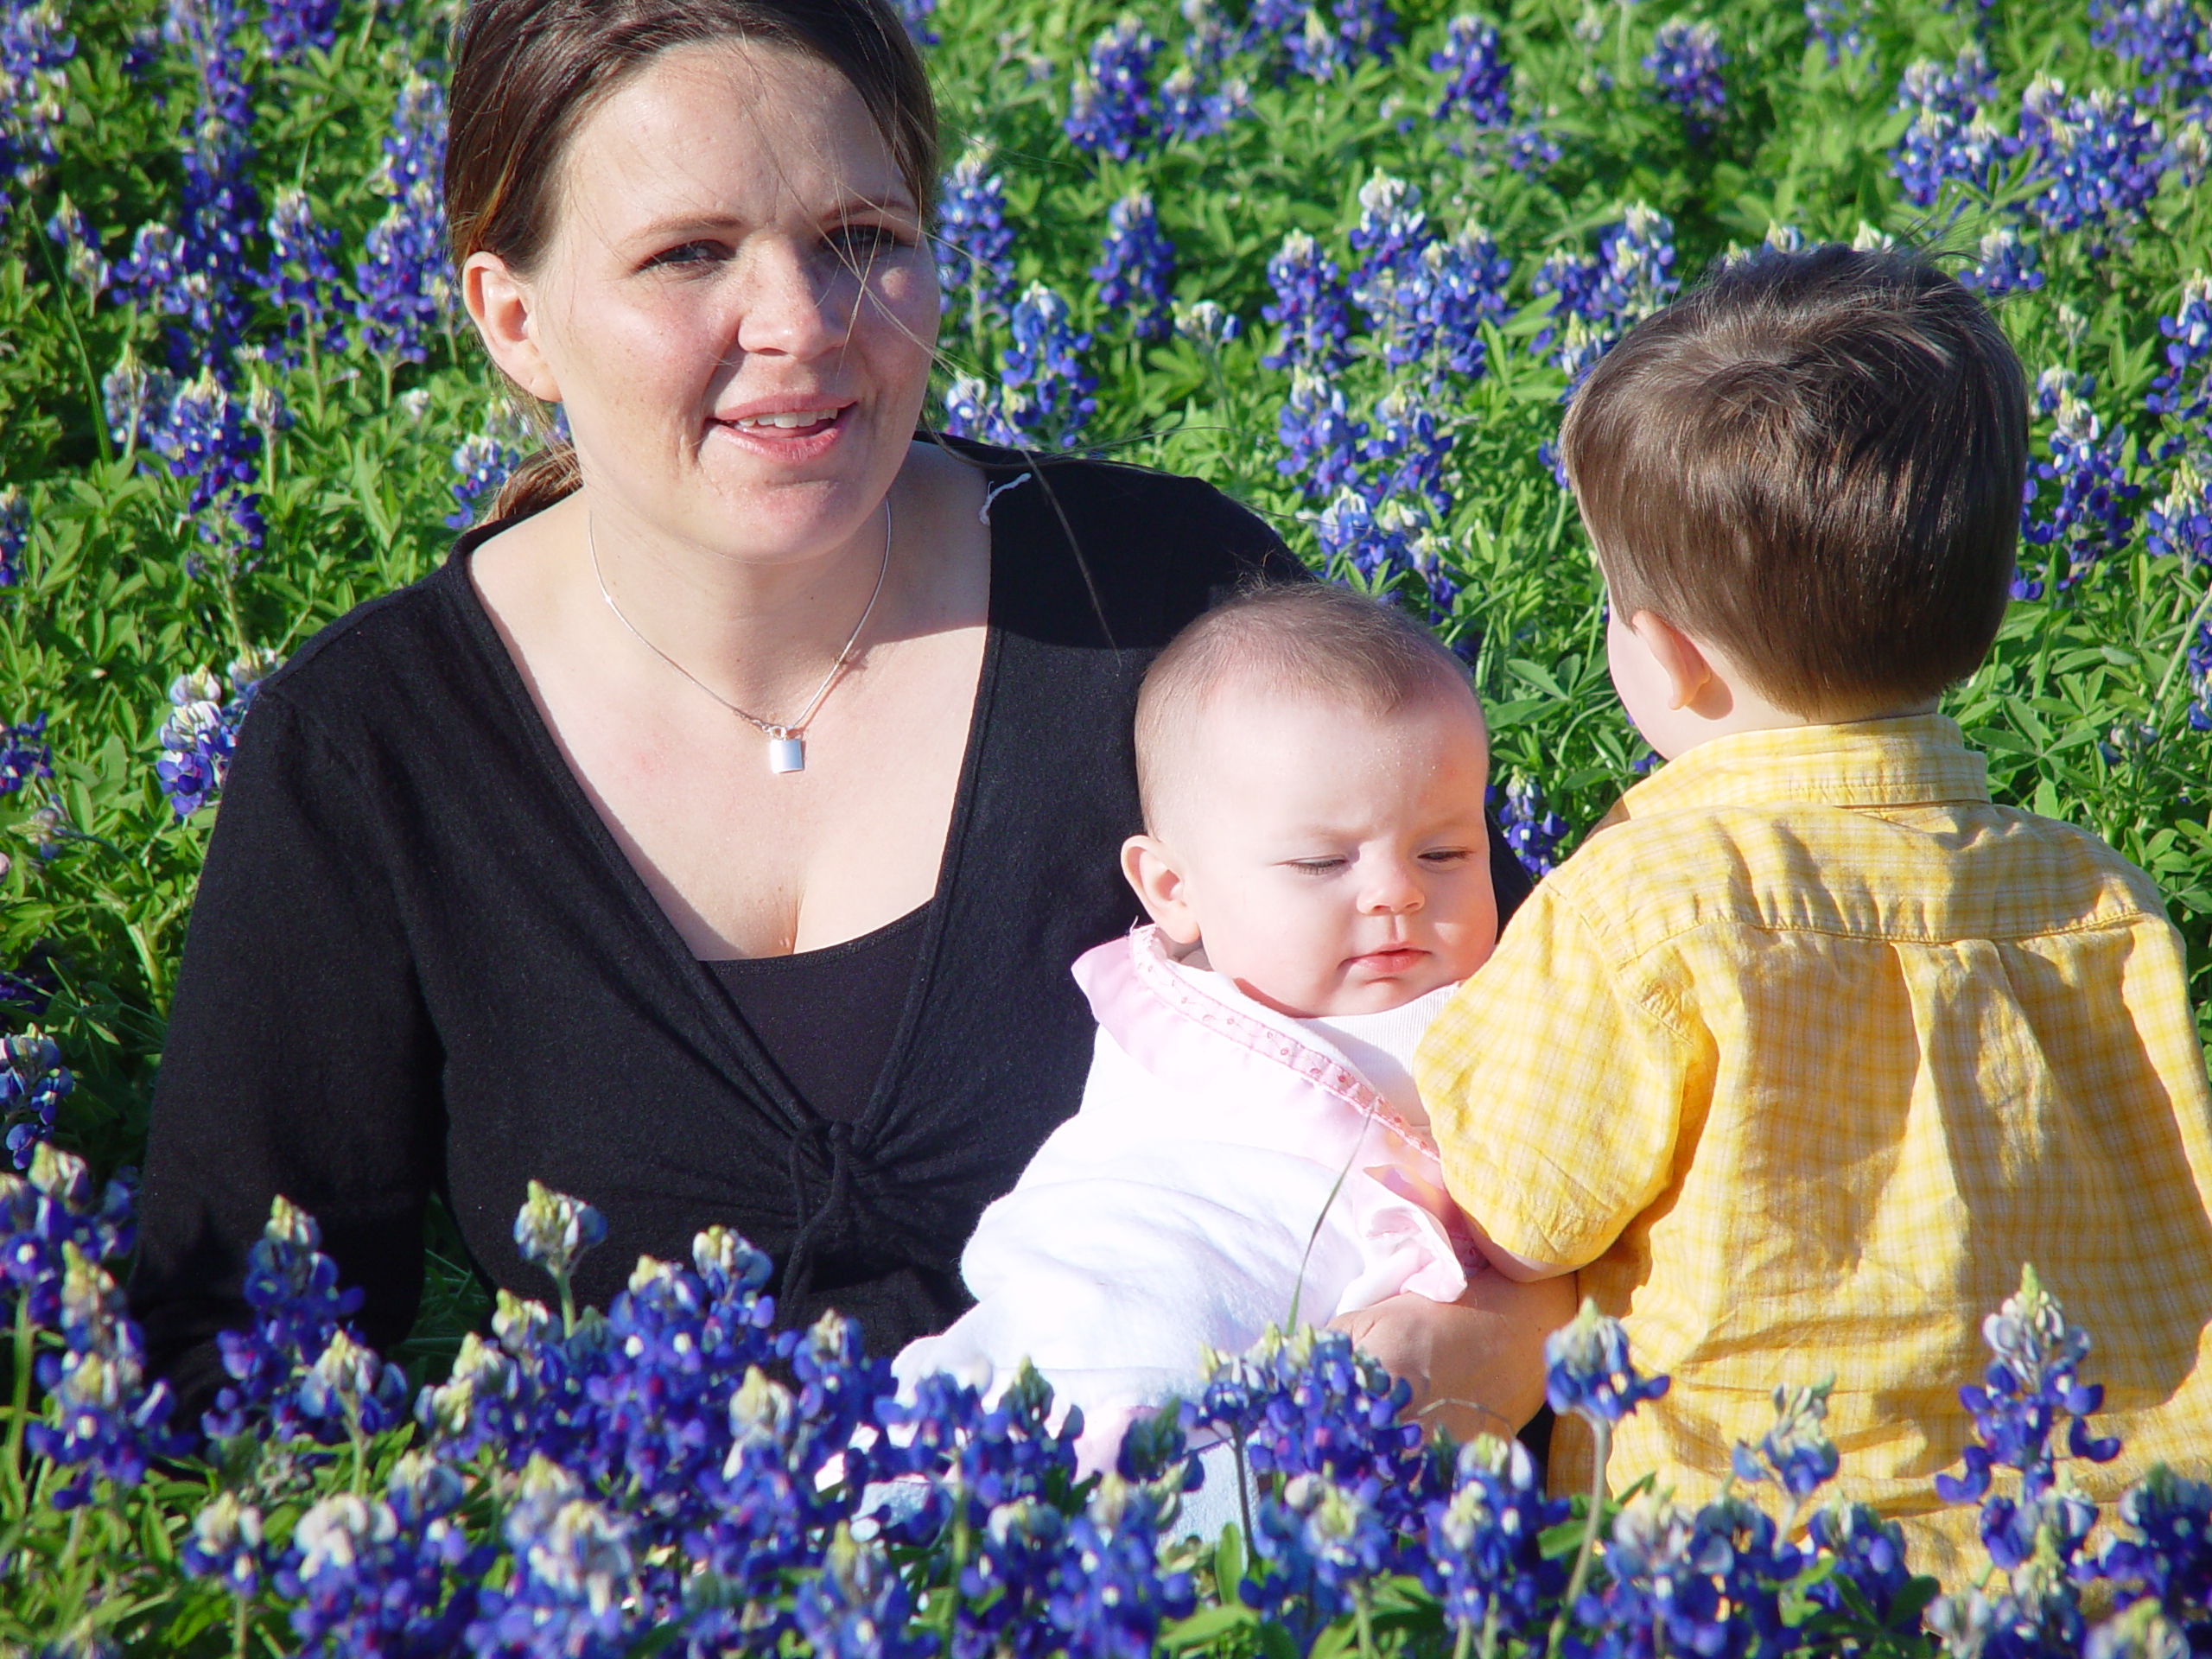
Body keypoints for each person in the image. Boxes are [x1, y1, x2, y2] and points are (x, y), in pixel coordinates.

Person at [127, 0, 1554, 1426]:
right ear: (517, 319)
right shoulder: (374, 749)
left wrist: (1486, 1356)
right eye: (689, 255)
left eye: (861, 240)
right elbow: (224, 1360)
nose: (800, 325)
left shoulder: (1175, 613)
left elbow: (1606, 1091)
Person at [1414, 245, 2212, 1573]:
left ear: (1662, 652)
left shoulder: (1637, 903)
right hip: (2096, 1548)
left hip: (1740, 1564)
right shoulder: (2102, 899)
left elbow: (1518, 1209)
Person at [894, 587, 1573, 1470]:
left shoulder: (1510, 1002)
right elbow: (1109, 1195)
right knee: (1038, 1354)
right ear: (1174, 892)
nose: (1396, 892)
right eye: (1321, 861)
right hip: (1114, 1270)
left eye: (1444, 852)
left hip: (1277, 1373)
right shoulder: (1166, 1019)